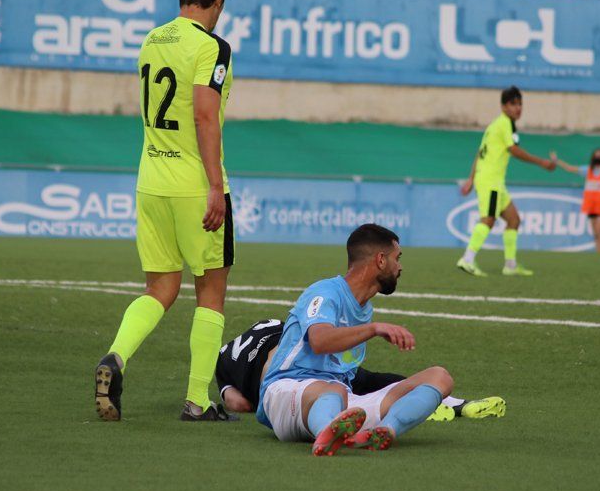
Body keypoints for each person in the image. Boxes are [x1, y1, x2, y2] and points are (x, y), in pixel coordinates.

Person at [94, 0, 237, 422]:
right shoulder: (212, 46)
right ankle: (198, 400)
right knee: (210, 292)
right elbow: (203, 114)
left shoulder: (151, 40)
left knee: (160, 287)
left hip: (150, 181)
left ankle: (115, 356)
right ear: (217, 0)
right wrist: (215, 186)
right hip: (194, 186)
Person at [256, 224, 454, 455]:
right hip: (285, 394)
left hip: (339, 401)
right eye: (396, 258)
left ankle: (383, 432)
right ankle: (325, 434)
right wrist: (373, 329)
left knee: (440, 377)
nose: (400, 267)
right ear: (381, 260)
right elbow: (320, 341)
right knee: (334, 390)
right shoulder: (324, 292)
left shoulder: (363, 308)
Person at [217, 319, 506, 421]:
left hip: (288, 377)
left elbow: (238, 403)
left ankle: (425, 409)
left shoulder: (223, 361)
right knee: (371, 380)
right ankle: (454, 403)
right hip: (311, 357)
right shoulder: (267, 324)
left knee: (339, 399)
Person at [457, 86, 557, 277]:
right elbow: (514, 150)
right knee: (488, 219)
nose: (518, 108)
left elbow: (480, 153)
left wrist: (471, 179)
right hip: (490, 180)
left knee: (514, 219)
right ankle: (467, 259)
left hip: (493, 181)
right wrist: (542, 162)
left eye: (520, 104)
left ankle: (510, 265)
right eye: (513, 104)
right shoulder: (504, 124)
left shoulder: (498, 125)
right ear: (503, 106)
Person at [550, 149, 600, 254]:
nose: (598, 157)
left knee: (599, 231)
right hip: (592, 206)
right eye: (596, 155)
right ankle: (599, 254)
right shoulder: (588, 170)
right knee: (595, 233)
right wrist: (557, 161)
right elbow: (570, 168)